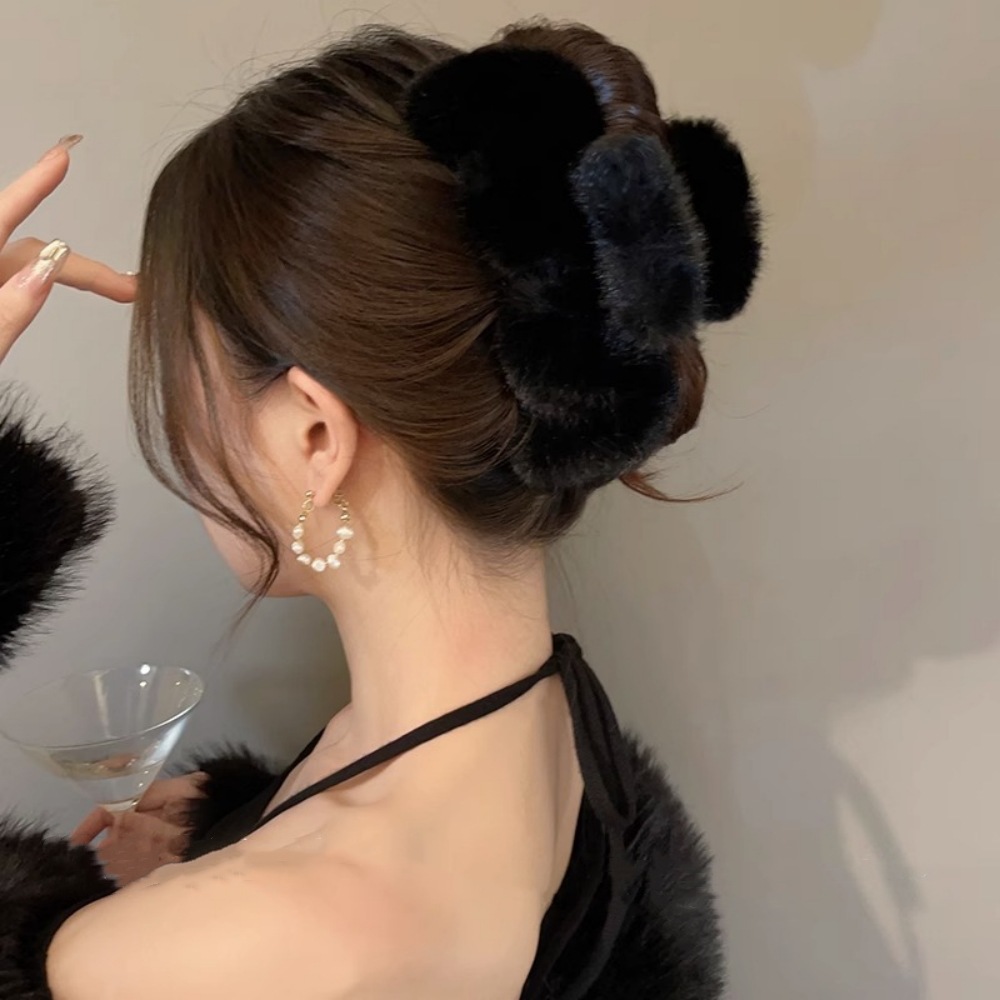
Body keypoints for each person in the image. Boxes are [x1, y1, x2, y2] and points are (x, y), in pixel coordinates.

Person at [0, 19, 762, 1000]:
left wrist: (210, 911)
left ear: (315, 435)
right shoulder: (533, 723)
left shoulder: (238, 947)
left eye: (183, 372)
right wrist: (238, 833)